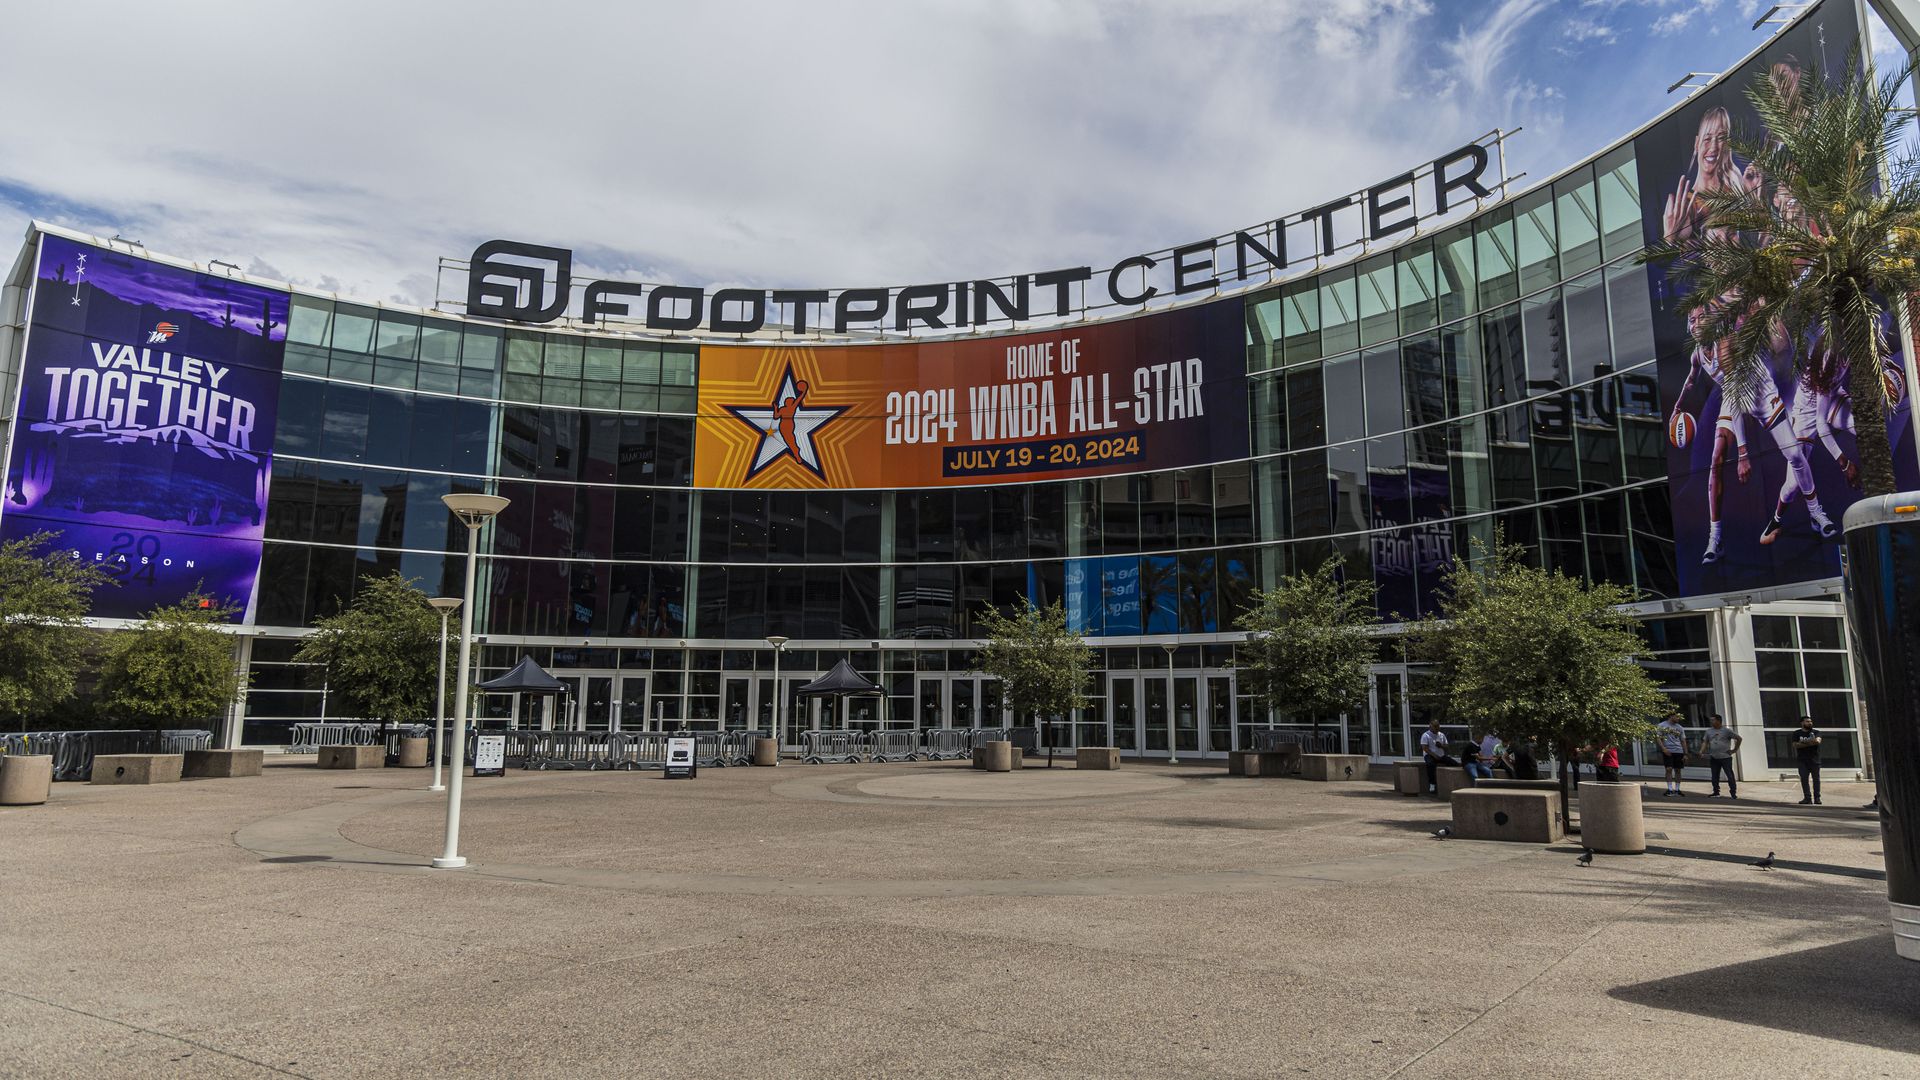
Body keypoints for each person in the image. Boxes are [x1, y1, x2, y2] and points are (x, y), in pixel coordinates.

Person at [1702, 714, 1741, 799]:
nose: (1711, 722)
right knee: (1714, 775)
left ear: (1718, 721)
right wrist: (1701, 751)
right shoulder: (1709, 731)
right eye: (1711, 720)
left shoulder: (1726, 731)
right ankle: (1716, 792)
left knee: (1729, 775)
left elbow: (1739, 738)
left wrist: (1734, 750)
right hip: (1714, 757)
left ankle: (1733, 793)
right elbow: (1705, 742)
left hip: (1725, 757)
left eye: (1713, 720)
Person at [1655, 713, 1690, 797]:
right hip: (1668, 750)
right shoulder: (1662, 725)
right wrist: (1663, 748)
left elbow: (1683, 741)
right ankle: (1670, 789)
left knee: (1678, 770)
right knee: (1669, 769)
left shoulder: (1679, 727)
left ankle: (1677, 789)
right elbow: (1658, 738)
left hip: (1678, 751)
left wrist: (1685, 754)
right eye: (1677, 717)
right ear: (1671, 716)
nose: (1678, 718)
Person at [1419, 719, 1458, 795]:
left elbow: (1447, 746)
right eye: (1435, 726)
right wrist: (1434, 755)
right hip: (1430, 755)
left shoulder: (1441, 735)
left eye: (1438, 726)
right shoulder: (1426, 735)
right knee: (1430, 765)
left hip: (1441, 755)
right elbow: (1425, 748)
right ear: (1431, 726)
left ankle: (1454, 781)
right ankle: (1432, 784)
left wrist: (1441, 745)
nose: (1437, 728)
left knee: (1453, 763)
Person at [1793, 715, 1823, 805]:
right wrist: (1810, 742)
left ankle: (1817, 798)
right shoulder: (1797, 733)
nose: (1810, 723)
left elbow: (1817, 741)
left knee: (1816, 779)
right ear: (1802, 723)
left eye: (1810, 721)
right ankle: (1807, 798)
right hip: (1802, 760)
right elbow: (1795, 745)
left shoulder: (1816, 732)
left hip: (1815, 760)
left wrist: (1803, 742)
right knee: (1804, 779)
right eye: (1807, 721)